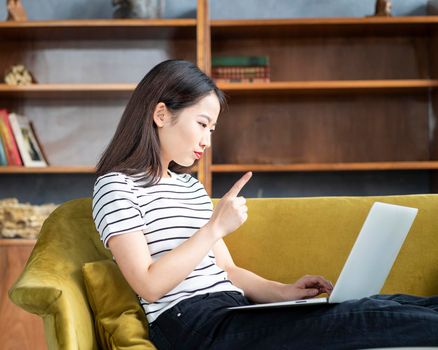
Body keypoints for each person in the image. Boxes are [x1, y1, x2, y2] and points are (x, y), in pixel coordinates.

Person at [92, 59, 438, 349]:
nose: (207, 140)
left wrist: (285, 292)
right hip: (190, 325)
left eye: (212, 129)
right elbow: (149, 286)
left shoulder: (189, 187)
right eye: (202, 124)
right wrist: (214, 228)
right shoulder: (116, 186)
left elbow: (228, 272)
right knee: (360, 318)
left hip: (232, 311)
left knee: (379, 305)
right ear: (161, 114)